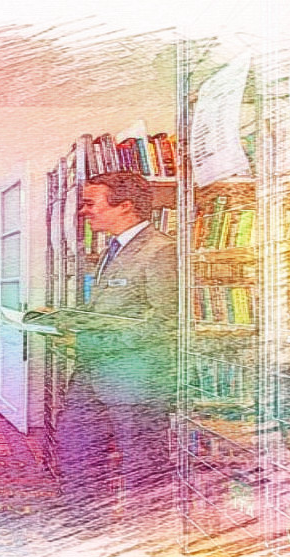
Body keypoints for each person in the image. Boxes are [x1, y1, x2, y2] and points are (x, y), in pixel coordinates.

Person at [50, 172, 177, 531]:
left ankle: (143, 542)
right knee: (76, 448)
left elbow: (165, 322)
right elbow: (117, 311)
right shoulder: (115, 248)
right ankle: (85, 529)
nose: (83, 211)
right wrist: (67, 321)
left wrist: (90, 343)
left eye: (91, 203)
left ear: (125, 206)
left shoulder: (160, 250)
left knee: (142, 465)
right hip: (92, 375)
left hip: (134, 382)